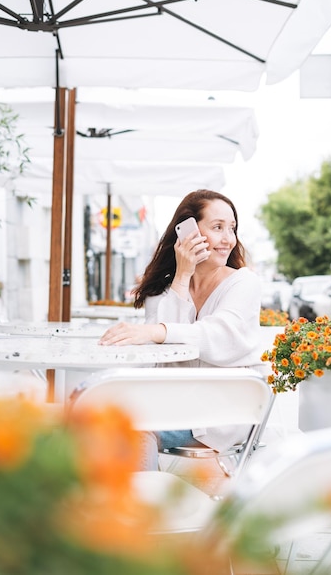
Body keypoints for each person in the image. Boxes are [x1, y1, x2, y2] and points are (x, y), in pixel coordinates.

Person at [99, 189, 262, 469]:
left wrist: (156, 331)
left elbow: (220, 336)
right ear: (187, 232)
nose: (228, 239)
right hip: (176, 405)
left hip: (223, 412)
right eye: (218, 227)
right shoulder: (164, 290)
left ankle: (140, 509)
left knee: (133, 429)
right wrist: (182, 275)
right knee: (100, 419)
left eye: (232, 229)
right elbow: (168, 358)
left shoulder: (244, 283)